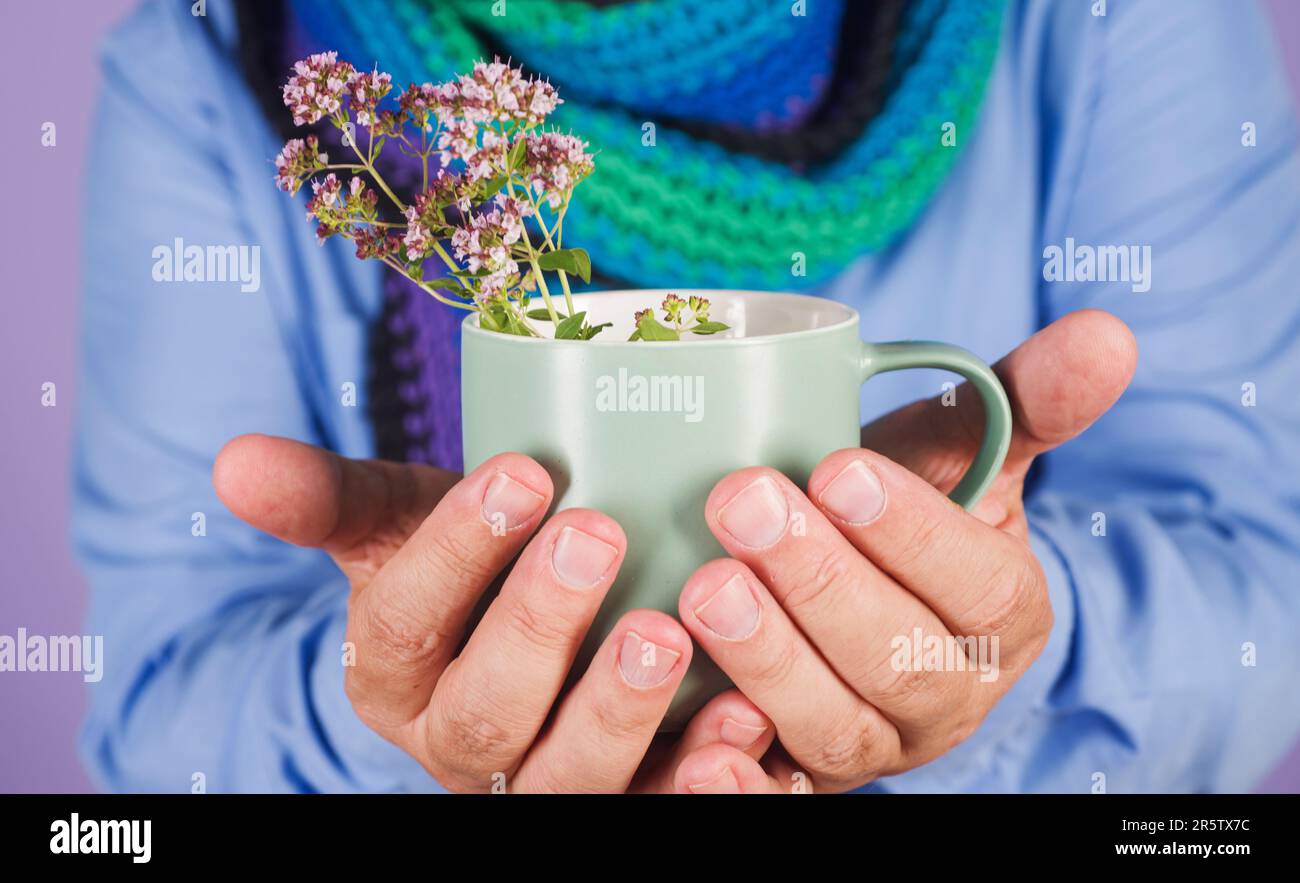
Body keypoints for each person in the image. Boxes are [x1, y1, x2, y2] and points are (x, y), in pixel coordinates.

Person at [75, 0, 1300, 793]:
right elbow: (156, 739)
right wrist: (395, 705)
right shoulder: (206, 66)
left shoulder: (1109, 24)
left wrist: (998, 645)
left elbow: (1263, 607)